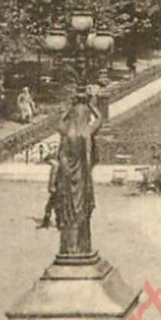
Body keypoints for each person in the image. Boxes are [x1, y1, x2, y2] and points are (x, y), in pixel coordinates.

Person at [51, 90, 102, 260]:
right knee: (82, 213)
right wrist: (91, 106)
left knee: (68, 213)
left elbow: (59, 121)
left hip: (66, 179)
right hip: (82, 180)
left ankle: (68, 250)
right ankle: (82, 247)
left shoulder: (65, 131)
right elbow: (100, 120)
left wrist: (70, 108)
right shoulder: (86, 132)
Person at [40, 156, 59, 229]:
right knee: (54, 206)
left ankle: (46, 222)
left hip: (55, 189)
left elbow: (53, 178)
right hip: (58, 188)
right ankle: (58, 222)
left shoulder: (55, 166)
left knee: (50, 206)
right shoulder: (58, 165)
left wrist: (51, 187)